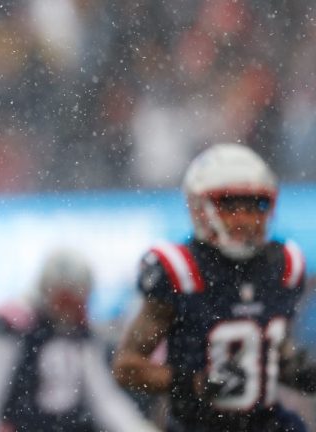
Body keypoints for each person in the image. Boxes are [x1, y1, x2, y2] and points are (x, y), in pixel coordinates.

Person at [113, 143, 316, 432]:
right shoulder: (180, 270)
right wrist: (195, 382)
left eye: (255, 204)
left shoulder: (285, 265)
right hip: (199, 425)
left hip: (267, 423)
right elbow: (127, 367)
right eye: (230, 204)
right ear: (199, 206)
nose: (244, 218)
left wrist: (296, 369)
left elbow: (267, 349)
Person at [0, 248, 158, 432]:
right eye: (65, 297)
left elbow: (103, 397)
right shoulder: (14, 328)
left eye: (78, 297)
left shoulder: (80, 335)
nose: (70, 308)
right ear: (46, 291)